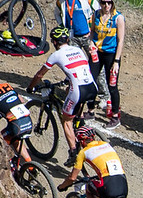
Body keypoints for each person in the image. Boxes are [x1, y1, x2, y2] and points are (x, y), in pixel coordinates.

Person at [30, 27, 98, 160]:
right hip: (92, 87)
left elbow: (39, 74)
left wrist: (30, 87)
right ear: (67, 39)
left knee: (66, 120)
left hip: (79, 90)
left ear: (55, 42)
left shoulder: (56, 55)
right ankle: (80, 124)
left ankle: (73, 153)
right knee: (70, 94)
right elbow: (79, 68)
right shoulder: (78, 50)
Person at [58, 125, 128, 198]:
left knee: (88, 189)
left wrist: (62, 187)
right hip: (123, 184)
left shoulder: (83, 152)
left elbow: (72, 178)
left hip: (108, 186)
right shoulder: (106, 144)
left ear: (82, 141)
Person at [55, 0, 106, 107]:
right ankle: (74, 90)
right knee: (74, 65)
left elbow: (98, 11)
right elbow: (57, 13)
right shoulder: (61, 0)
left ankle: (104, 95)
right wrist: (62, 27)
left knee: (96, 64)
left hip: (88, 37)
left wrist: (94, 29)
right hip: (72, 38)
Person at [94, 0, 125, 125]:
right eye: (103, 3)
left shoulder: (118, 18)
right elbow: (91, 32)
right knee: (91, 79)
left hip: (111, 54)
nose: (106, 6)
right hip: (97, 51)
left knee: (112, 85)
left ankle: (115, 116)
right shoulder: (95, 14)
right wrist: (90, 43)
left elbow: (120, 40)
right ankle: (89, 110)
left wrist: (116, 61)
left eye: (109, 3)